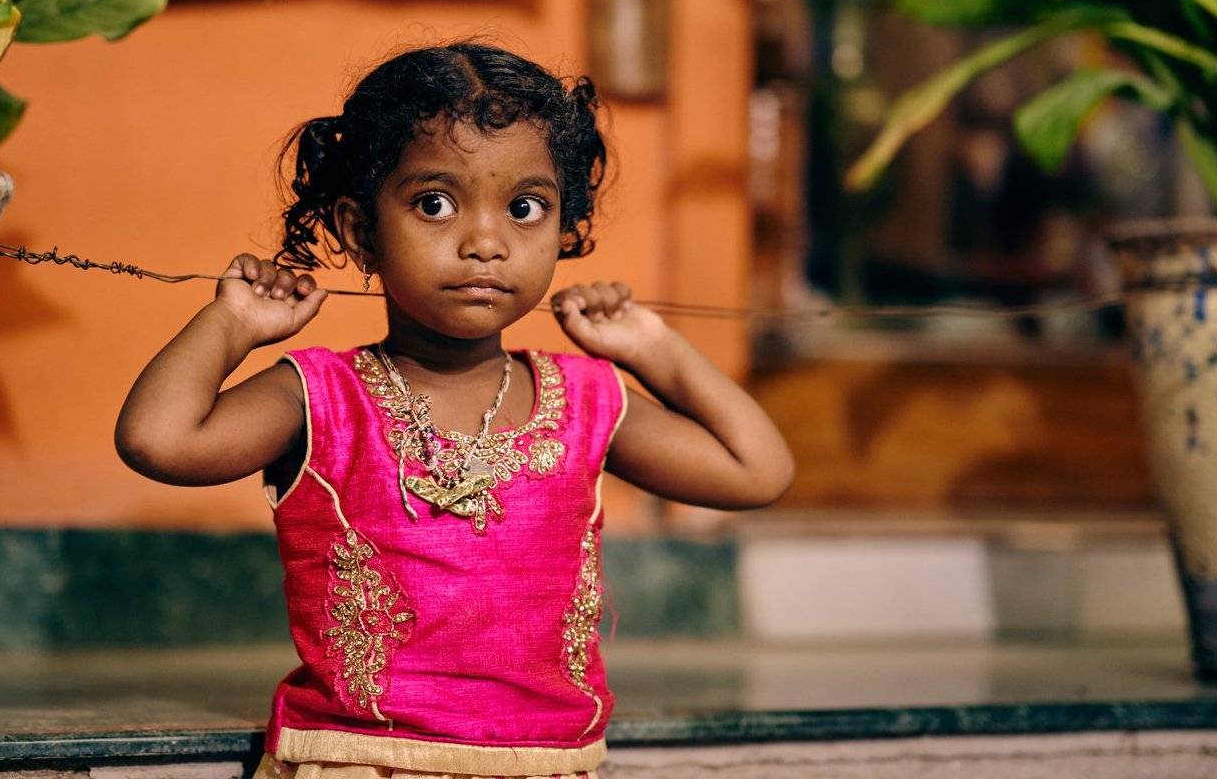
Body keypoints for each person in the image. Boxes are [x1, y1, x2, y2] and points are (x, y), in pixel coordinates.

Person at [114, 42, 794, 779]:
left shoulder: (586, 399)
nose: (485, 244)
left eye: (525, 208)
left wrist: (652, 347)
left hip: (548, 765)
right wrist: (232, 324)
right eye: (435, 204)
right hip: (360, 762)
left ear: (563, 228)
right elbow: (159, 440)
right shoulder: (319, 397)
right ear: (361, 231)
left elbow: (755, 470)